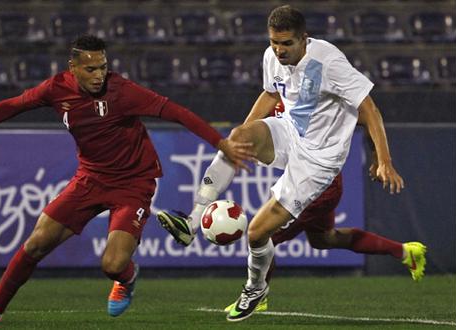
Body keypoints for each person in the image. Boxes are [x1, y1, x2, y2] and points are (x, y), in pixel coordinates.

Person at [0, 35, 255, 324]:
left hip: (134, 184)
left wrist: (221, 142)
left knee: (112, 264)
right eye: (91, 69)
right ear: (73, 67)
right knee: (35, 243)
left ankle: (127, 278)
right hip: (90, 179)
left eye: (102, 67)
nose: (99, 75)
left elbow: (177, 112)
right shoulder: (56, 88)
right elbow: (11, 106)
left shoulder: (124, 91)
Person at [156, 5, 427, 322]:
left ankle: (255, 291)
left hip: (319, 159)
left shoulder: (329, 61)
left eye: (286, 44)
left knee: (257, 233)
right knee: (238, 138)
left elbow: (369, 109)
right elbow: (270, 95)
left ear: (304, 39)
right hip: (289, 131)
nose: (279, 50)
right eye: (274, 42)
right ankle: (192, 221)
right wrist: (241, 138)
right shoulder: (271, 56)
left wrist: (384, 161)